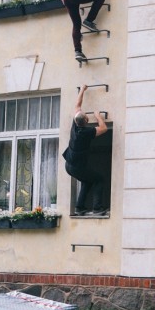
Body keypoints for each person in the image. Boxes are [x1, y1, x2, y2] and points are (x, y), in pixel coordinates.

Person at [63, 85, 108, 216]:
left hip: (69, 165)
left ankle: (79, 207)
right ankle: (97, 208)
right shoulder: (86, 132)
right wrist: (98, 116)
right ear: (86, 120)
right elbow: (104, 128)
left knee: (87, 181)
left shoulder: (75, 127)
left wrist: (82, 90)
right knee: (99, 179)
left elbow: (77, 105)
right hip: (78, 167)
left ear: (76, 120)